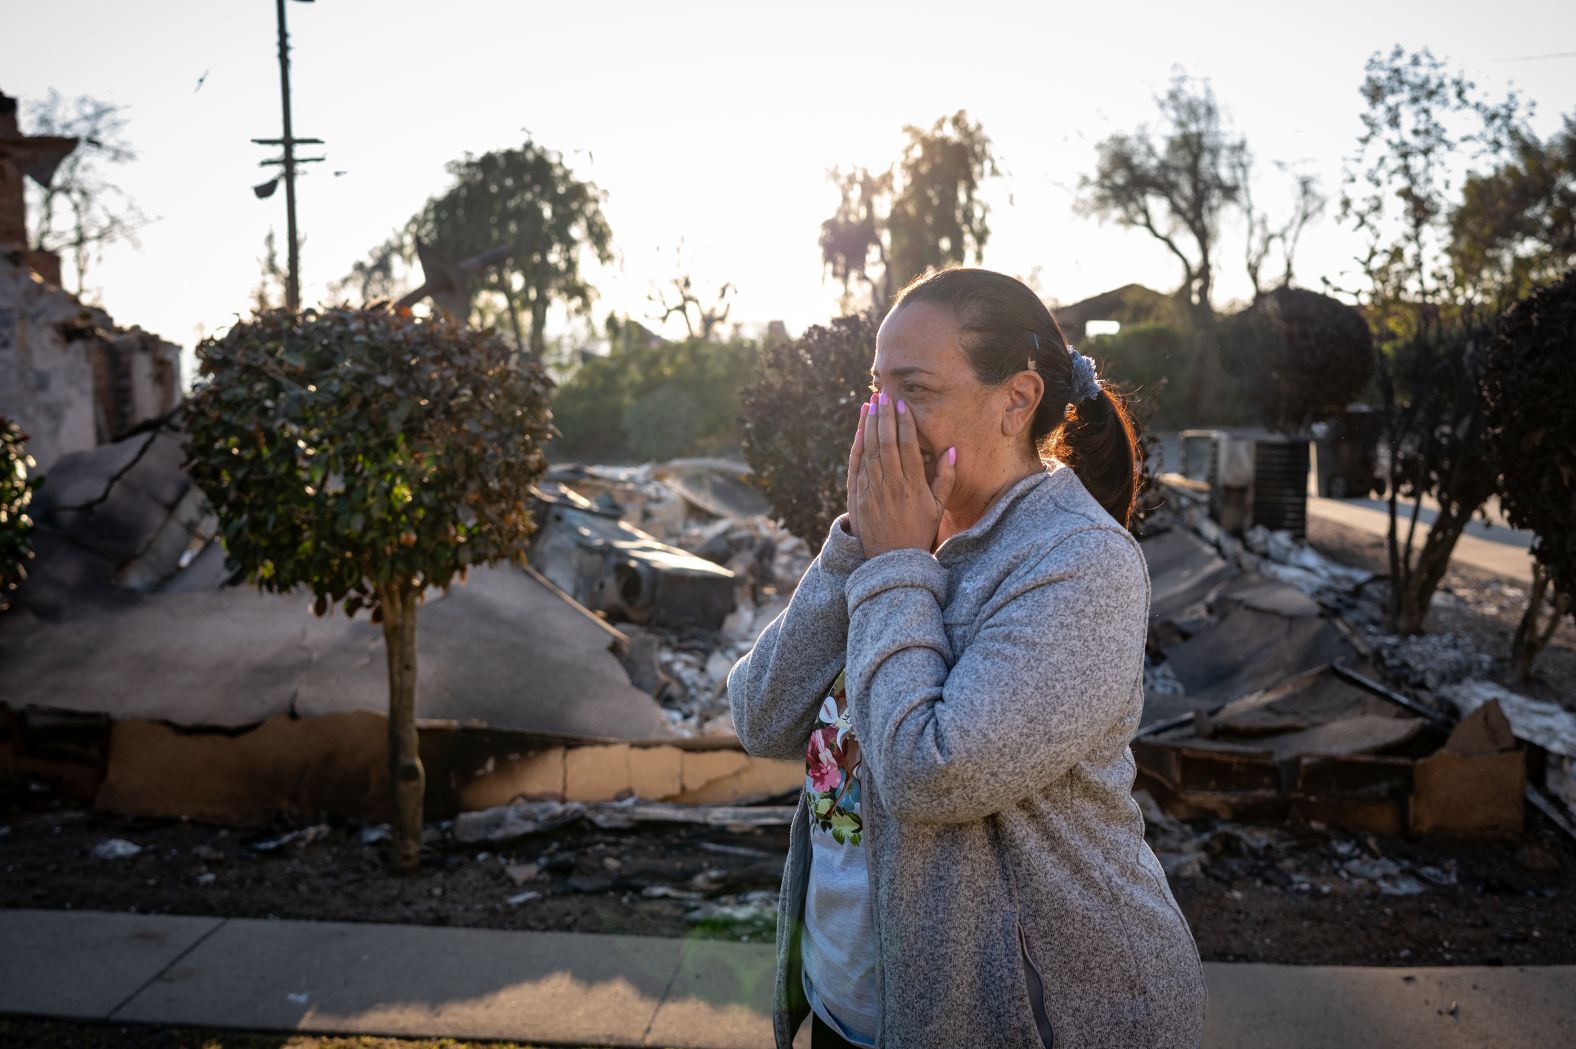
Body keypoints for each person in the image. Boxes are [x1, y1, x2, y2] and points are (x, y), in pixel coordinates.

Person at [727, 267, 1208, 1048]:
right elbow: (760, 715)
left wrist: (890, 566)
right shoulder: (899, 535)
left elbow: (932, 771)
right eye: (875, 390)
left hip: (1035, 1023)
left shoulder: (1080, 563)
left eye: (913, 390)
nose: (884, 420)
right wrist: (859, 545)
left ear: (1016, 400)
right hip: (853, 1016)